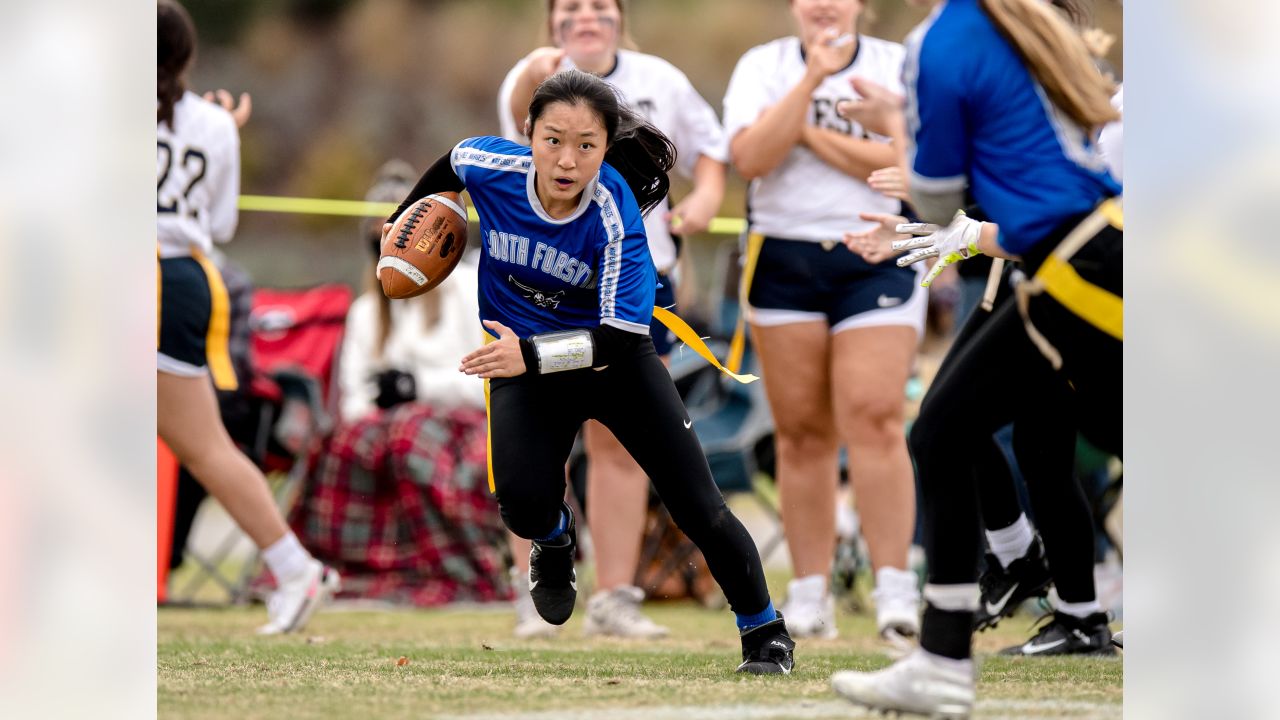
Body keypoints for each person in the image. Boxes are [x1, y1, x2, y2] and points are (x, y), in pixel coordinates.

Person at [384, 69, 795, 674]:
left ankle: (765, 631)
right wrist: (401, 225)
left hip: (615, 363)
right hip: (522, 358)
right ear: (527, 134)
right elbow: (451, 164)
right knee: (520, 505)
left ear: (605, 148)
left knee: (697, 506)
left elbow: (614, 337)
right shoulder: (488, 163)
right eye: (552, 140)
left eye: (586, 145)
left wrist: (527, 356)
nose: (567, 160)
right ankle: (554, 540)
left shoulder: (614, 215)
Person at [829, 0, 1121, 714]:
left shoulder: (946, 37)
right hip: (1083, 257)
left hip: (1078, 268)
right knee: (949, 430)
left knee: (947, 431)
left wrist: (896, 126)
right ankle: (953, 646)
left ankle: (952, 649)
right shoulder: (1021, 26)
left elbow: (934, 196)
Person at [494, 0, 728, 639]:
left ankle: (616, 598)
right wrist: (535, 72)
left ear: (621, 17)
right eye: (571, 6)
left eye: (600, 5)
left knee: (621, 444)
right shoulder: (536, 78)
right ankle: (533, 589)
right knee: (535, 443)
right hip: (542, 284)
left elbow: (711, 149)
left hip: (633, 286)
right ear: (551, 20)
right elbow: (510, 133)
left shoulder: (660, 79)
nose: (586, 16)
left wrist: (705, 198)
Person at [721, 0, 922, 645]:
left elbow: (910, 164)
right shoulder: (763, 66)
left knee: (874, 414)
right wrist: (810, 82)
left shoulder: (898, 65)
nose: (825, 7)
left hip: (879, 253)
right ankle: (809, 592)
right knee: (802, 432)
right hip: (783, 255)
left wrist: (804, 132)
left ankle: (895, 588)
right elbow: (751, 158)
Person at [156, 0, 338, 634]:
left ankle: (296, 571)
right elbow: (222, 224)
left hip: (139, 272)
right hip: (185, 279)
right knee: (200, 444)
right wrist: (217, 131)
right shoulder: (210, 121)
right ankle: (294, 569)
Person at [285, 161, 511, 607]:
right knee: (345, 443)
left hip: (465, 427)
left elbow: (488, 380)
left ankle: (456, 568)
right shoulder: (366, 313)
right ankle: (354, 569)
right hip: (389, 431)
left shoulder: (469, 288)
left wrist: (418, 388)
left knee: (410, 438)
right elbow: (354, 400)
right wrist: (384, 409)